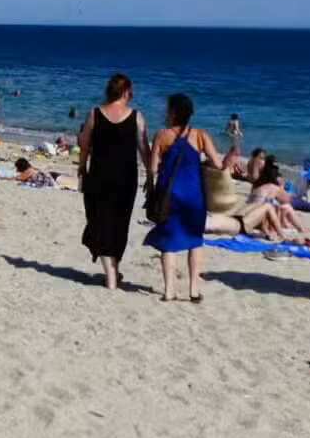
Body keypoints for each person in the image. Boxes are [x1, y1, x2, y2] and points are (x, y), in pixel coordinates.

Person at [144, 93, 224, 302]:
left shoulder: (161, 135)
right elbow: (218, 164)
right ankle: (194, 290)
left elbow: (152, 169)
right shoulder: (200, 135)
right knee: (195, 241)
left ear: (172, 113)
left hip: (169, 196)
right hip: (194, 195)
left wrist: (155, 178)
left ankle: (169, 291)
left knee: (168, 242)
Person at [77, 72, 147, 291]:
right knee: (119, 224)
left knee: (99, 222)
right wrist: (152, 175)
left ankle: (112, 274)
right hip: (126, 179)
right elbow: (144, 150)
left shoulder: (94, 114)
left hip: (99, 176)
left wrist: (82, 167)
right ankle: (112, 275)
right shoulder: (137, 117)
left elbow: (84, 145)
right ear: (127, 92)